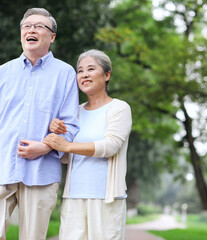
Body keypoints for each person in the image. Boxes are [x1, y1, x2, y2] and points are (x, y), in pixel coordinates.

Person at [0, 8, 79, 240]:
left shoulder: (65, 74)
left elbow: (71, 125)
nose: (31, 30)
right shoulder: (2, 73)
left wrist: (45, 147)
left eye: (39, 26)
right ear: (21, 35)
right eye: (27, 26)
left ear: (52, 36)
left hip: (41, 173)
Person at [23, 49, 132, 239]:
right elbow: (66, 158)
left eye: (91, 69)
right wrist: (57, 134)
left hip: (106, 199)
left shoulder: (119, 108)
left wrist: (67, 146)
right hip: (73, 197)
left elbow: (110, 146)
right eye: (80, 71)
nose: (84, 75)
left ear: (107, 75)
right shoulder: (75, 113)